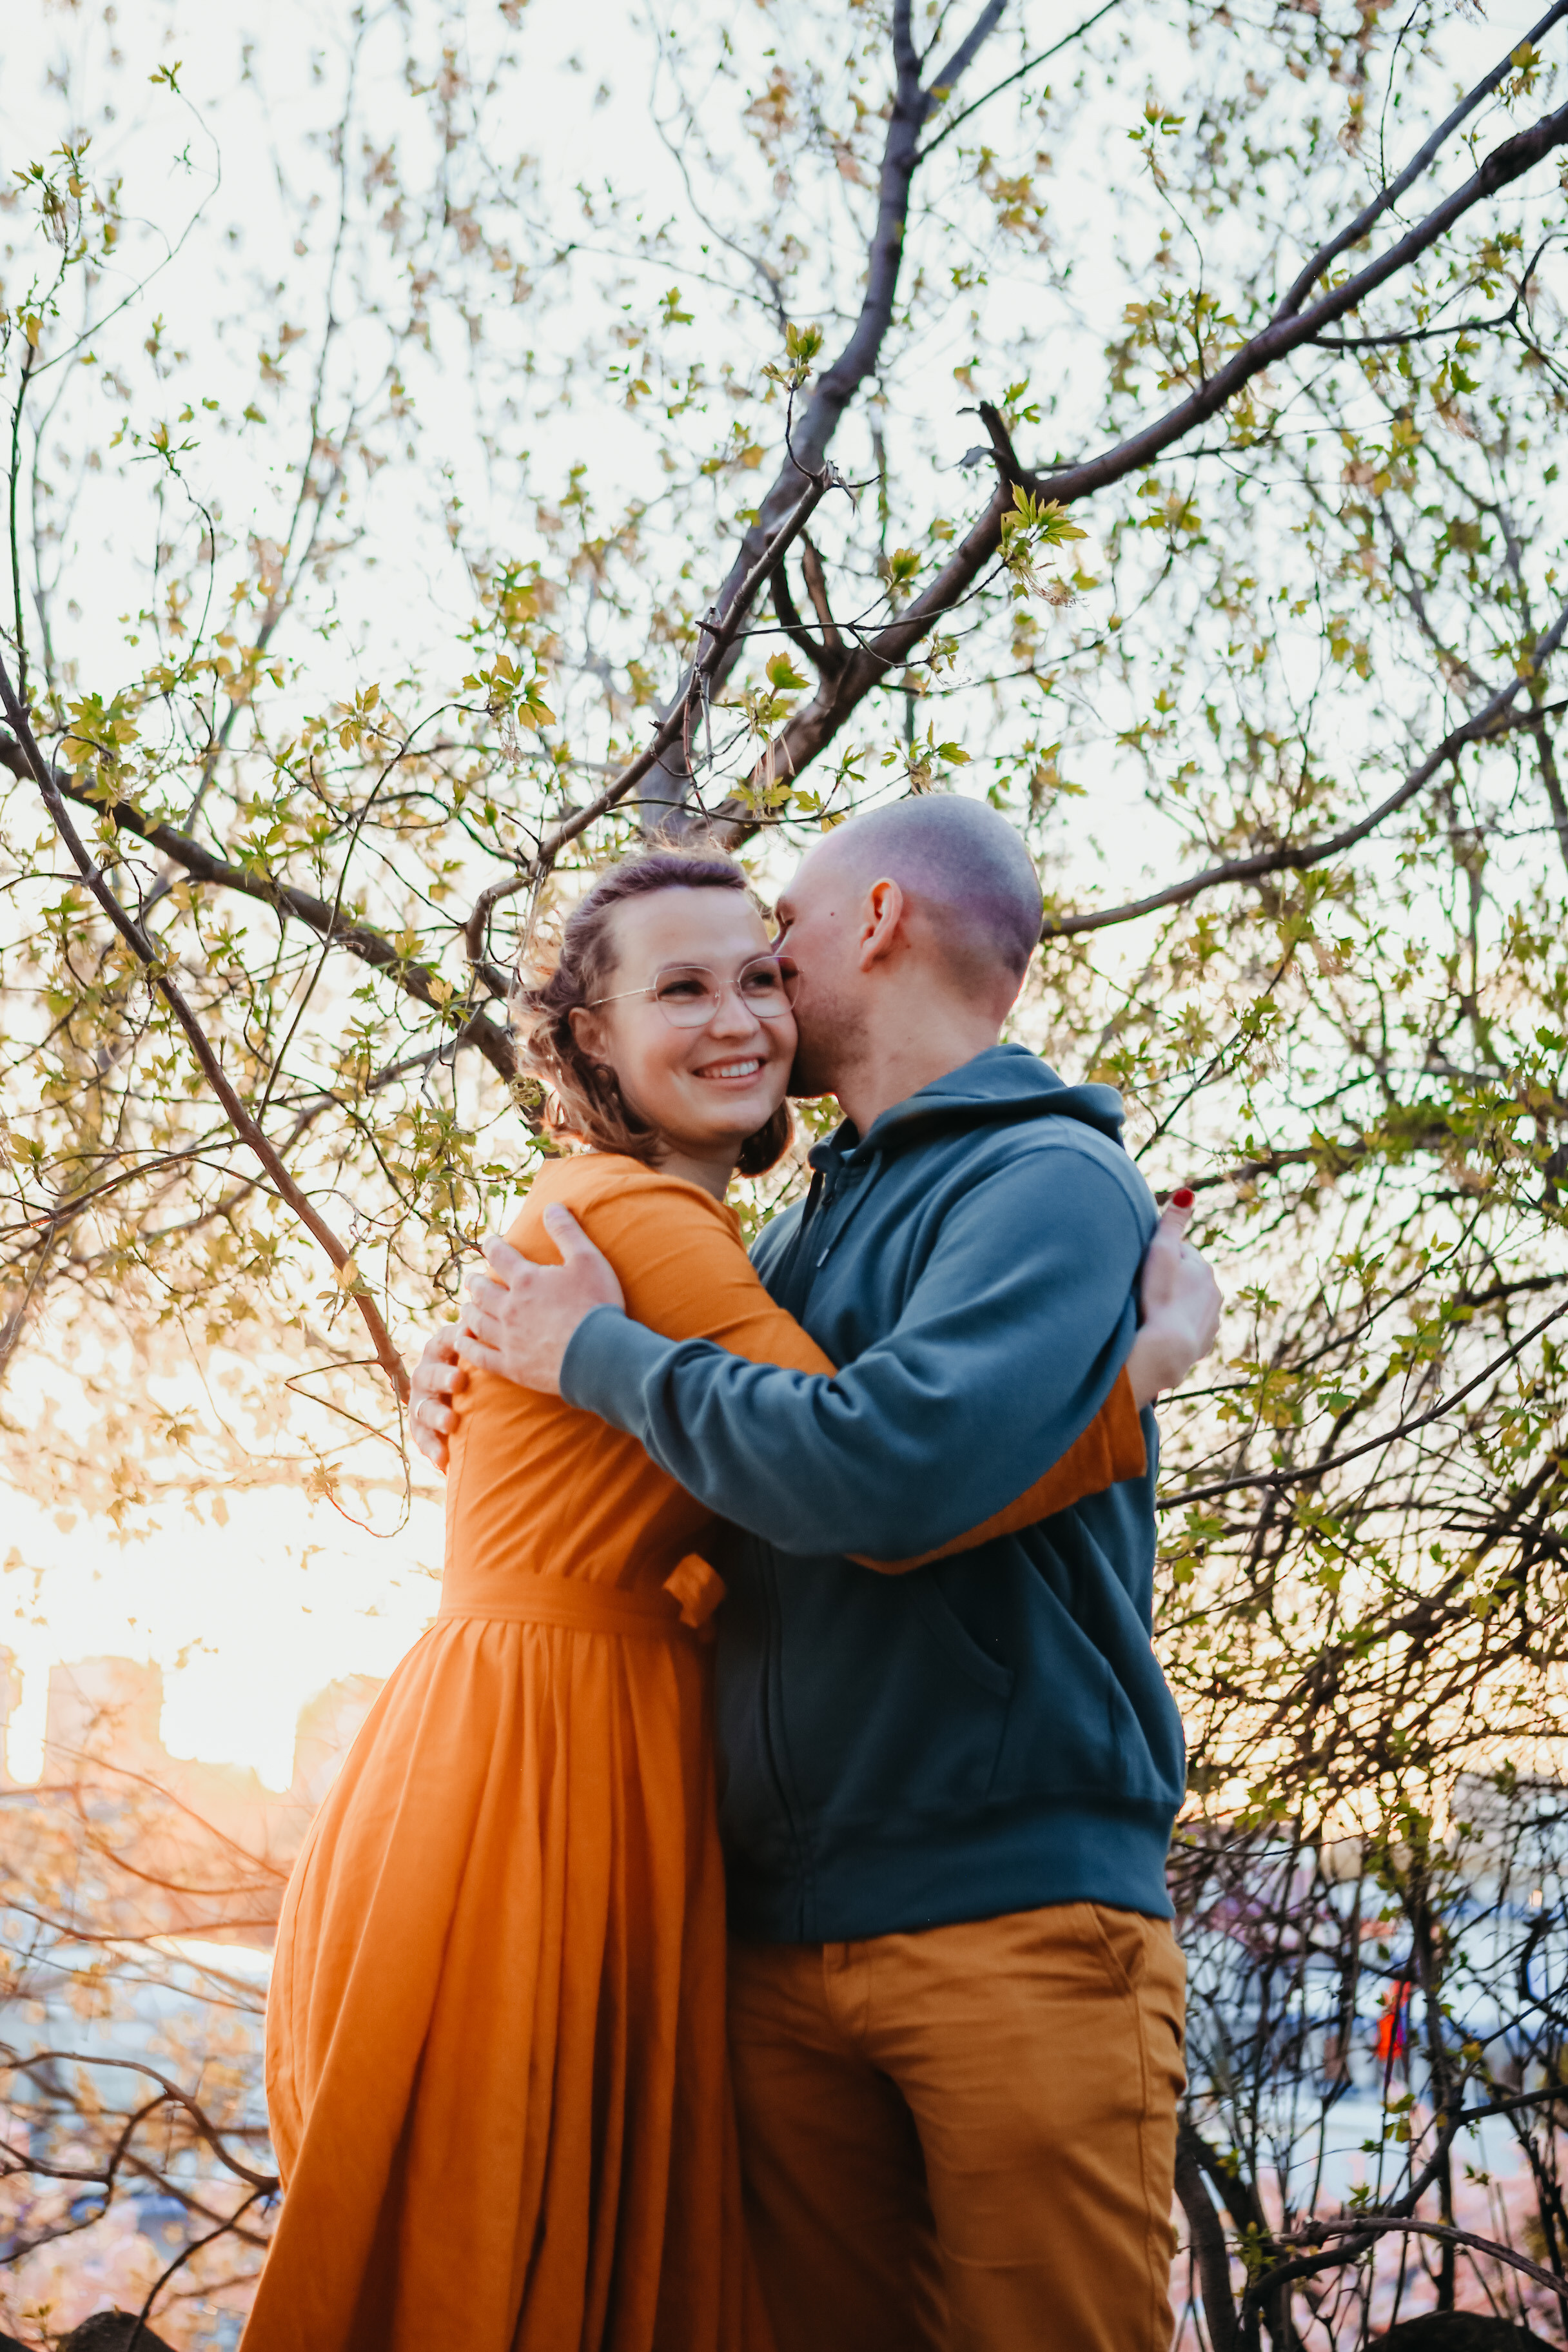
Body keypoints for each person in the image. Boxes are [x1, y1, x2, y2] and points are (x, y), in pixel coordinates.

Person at [246, 844, 1214, 2352]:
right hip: (621, 1824)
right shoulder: (745, 1231)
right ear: (591, 1039)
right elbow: (790, 1497)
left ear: (874, 919)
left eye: (766, 963)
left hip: (977, 1903)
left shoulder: (1034, 1178)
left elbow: (865, 1480)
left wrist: (1128, 1385)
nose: (752, 1003)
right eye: (688, 985)